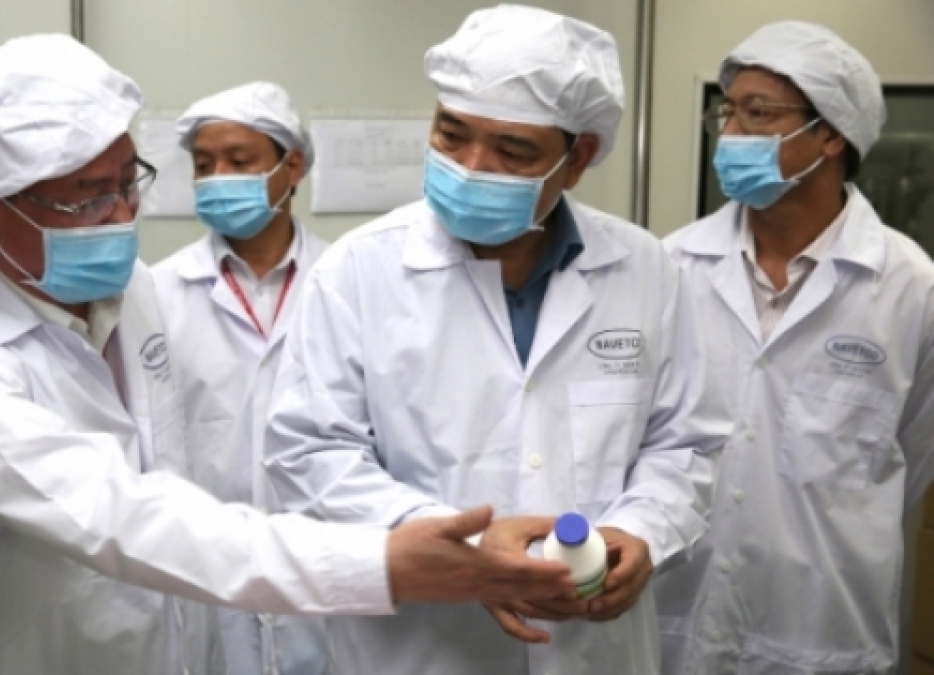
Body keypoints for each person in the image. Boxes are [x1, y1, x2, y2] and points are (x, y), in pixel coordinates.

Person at [0, 33, 579, 675]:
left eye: (129, 181)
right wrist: (390, 561)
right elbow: (124, 514)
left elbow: (173, 474)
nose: (124, 215)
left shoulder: (131, 291)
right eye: (87, 200)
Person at [262, 6, 729, 674]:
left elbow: (682, 442)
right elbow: (307, 451)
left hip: (591, 647)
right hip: (420, 646)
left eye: (512, 150)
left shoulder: (645, 269)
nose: (473, 166)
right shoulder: (359, 270)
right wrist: (467, 546)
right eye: (452, 135)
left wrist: (643, 530)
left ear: (578, 160)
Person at [655, 21, 934, 675]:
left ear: (831, 133)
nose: (731, 134)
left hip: (821, 635)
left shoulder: (910, 287)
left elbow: (909, 460)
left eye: (757, 113)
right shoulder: (670, 267)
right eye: (727, 113)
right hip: (676, 621)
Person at [151, 82, 334, 675]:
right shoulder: (157, 293)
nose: (217, 177)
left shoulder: (347, 281)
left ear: (293, 166)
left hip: (324, 570)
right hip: (208, 573)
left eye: (239, 161)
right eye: (203, 166)